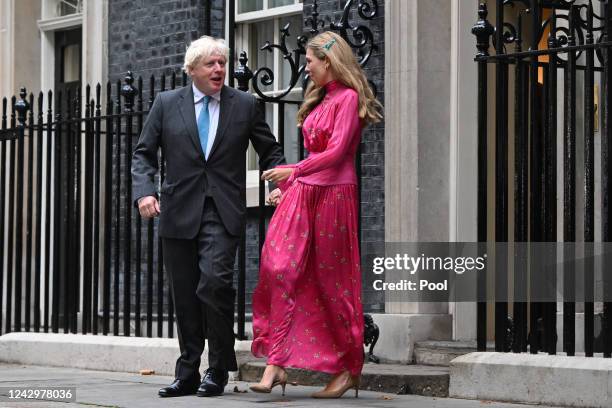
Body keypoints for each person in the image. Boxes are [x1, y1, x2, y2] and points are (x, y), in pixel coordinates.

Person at [131, 35, 285, 398]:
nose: (218, 70)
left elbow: (271, 149)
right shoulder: (167, 104)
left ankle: (217, 368)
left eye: (221, 63)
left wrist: (279, 182)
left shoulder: (244, 104)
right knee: (184, 294)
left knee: (215, 284)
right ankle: (187, 372)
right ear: (192, 70)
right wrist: (144, 191)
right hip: (178, 211)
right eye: (210, 64)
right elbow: (143, 154)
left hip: (223, 210)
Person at [249, 31, 383, 399]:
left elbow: (338, 153)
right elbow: (313, 159)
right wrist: (291, 185)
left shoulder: (349, 98)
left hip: (334, 196)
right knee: (280, 270)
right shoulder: (321, 99)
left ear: (329, 61)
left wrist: (292, 173)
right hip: (306, 191)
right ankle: (276, 363)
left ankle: (347, 369)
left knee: (331, 283)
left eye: (310, 61)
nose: (305, 67)